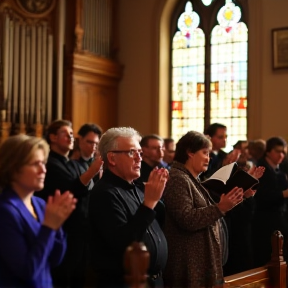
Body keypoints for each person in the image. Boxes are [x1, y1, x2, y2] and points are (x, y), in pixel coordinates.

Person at [88, 127, 169, 288]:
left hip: (153, 281)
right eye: (132, 152)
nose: (139, 158)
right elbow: (123, 242)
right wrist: (149, 203)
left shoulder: (136, 188)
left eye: (140, 152)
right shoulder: (104, 193)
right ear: (112, 158)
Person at [162, 131, 244, 288]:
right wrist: (220, 208)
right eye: (205, 153)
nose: (209, 158)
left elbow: (212, 211)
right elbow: (187, 219)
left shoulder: (192, 179)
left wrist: (241, 196)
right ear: (190, 152)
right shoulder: (178, 179)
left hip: (201, 261)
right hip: (189, 264)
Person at [0, 134, 77, 288]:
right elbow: (26, 271)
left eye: (43, 163)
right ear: (14, 168)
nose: (43, 170)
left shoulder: (40, 204)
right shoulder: (5, 211)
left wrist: (58, 225)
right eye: (35, 164)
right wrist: (49, 227)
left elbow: (54, 260)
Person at [38, 120, 103, 288]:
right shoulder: (50, 164)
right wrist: (92, 171)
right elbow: (70, 190)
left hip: (79, 231)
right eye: (65, 134)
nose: (70, 137)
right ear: (52, 137)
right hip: (65, 230)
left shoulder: (70, 163)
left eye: (71, 134)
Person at [252, 136, 288, 268]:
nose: (281, 155)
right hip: (265, 220)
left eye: (283, 152)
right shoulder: (261, 169)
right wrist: (283, 194)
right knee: (267, 257)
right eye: (278, 151)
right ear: (268, 151)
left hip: (280, 217)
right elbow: (260, 196)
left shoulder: (280, 169)